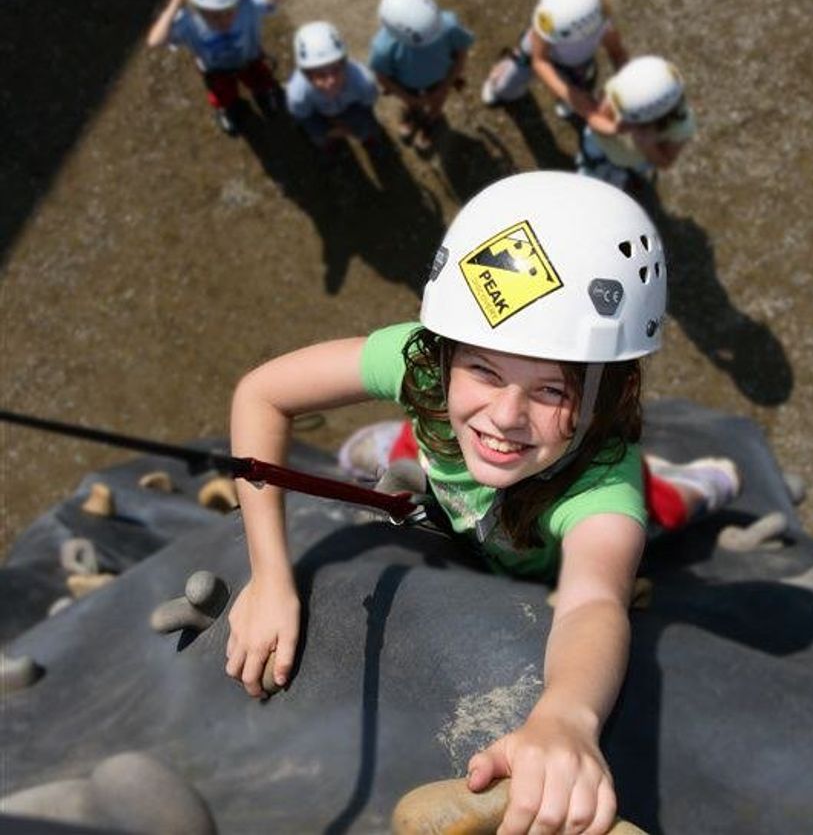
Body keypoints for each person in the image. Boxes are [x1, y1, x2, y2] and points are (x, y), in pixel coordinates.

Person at [225, 171, 739, 834]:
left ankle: (706, 482)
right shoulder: (422, 367)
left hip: (555, 527)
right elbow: (262, 393)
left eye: (553, 391)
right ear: (446, 351)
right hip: (466, 498)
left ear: (608, 394)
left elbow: (590, 602)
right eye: (485, 370)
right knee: (428, 443)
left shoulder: (601, 491)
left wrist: (565, 717)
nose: (506, 414)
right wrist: (270, 574)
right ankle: (401, 441)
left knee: (661, 509)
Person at [146, 0, 289, 137]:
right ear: (196, 7)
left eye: (229, 11)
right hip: (216, 71)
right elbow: (154, 41)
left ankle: (264, 94)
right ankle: (230, 108)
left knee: (261, 81)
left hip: (250, 61)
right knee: (224, 95)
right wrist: (175, 2)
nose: (223, 20)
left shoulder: (246, 4)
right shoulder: (189, 20)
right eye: (212, 15)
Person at [480, 0, 628, 126]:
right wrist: (569, 94)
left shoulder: (605, 28)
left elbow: (618, 55)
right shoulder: (551, 20)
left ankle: (566, 100)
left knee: (576, 97)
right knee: (505, 87)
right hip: (534, 54)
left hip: (575, 66)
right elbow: (539, 60)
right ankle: (499, 82)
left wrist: (616, 90)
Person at [368, 0, 474, 155]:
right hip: (407, 86)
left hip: (439, 81)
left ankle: (430, 121)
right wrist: (409, 98)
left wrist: (445, 85)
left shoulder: (449, 25)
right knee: (413, 103)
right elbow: (382, 76)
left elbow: (461, 54)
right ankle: (413, 112)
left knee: (436, 104)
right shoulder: (384, 48)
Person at [577, 56, 697, 194]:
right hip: (600, 144)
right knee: (592, 155)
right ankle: (591, 164)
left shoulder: (682, 127)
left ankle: (616, 172)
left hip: (632, 161)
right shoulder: (623, 90)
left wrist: (648, 147)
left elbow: (665, 162)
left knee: (621, 174)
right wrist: (615, 128)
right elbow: (596, 118)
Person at [286, 21, 382, 158]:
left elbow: (367, 107)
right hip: (316, 114)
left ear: (344, 64)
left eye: (336, 70)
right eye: (320, 75)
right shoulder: (298, 94)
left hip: (351, 109)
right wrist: (331, 131)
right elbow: (305, 117)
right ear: (306, 75)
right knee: (318, 134)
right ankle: (330, 145)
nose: (331, 81)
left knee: (366, 126)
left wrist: (355, 126)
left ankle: (368, 139)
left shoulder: (365, 82)